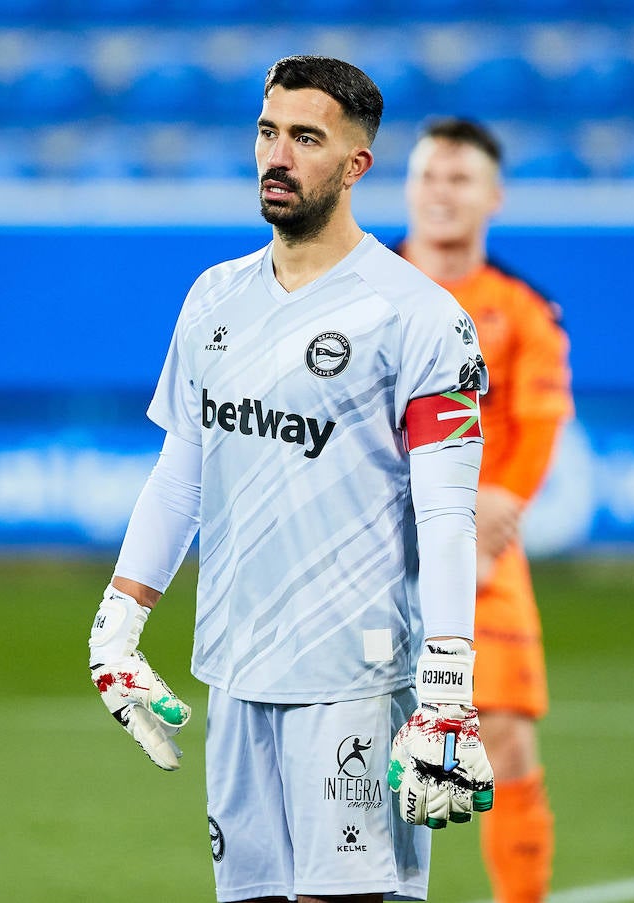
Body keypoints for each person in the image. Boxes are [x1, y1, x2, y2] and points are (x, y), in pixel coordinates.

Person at [87, 57, 496, 903]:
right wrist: (117, 628)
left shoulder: (419, 317)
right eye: (269, 132)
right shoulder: (213, 299)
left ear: (357, 165)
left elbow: (447, 511)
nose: (279, 155)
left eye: (307, 138)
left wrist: (449, 687)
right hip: (235, 669)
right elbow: (180, 476)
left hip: (357, 675)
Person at [398, 118, 572, 903]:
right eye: (430, 175)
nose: (442, 192)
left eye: (460, 178)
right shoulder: (357, 290)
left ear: (493, 195)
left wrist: (485, 523)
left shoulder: (522, 309)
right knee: (350, 747)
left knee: (503, 733)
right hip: (368, 548)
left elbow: (537, 428)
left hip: (480, 552)